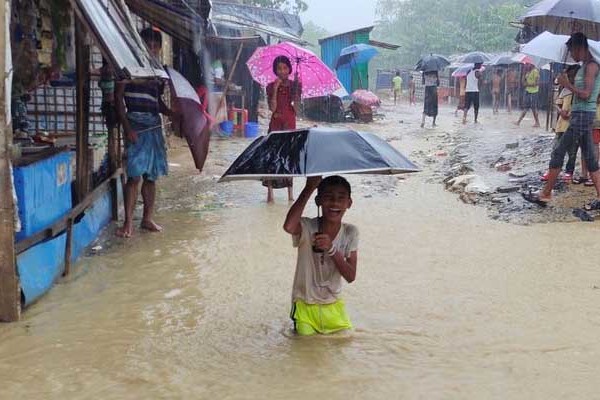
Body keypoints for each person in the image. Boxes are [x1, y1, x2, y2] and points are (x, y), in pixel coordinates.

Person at [523, 33, 600, 209]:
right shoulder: (583, 67)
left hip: (583, 115)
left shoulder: (592, 67)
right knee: (590, 157)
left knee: (558, 152)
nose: (571, 55)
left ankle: (545, 194)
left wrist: (567, 85)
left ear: (580, 47)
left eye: (572, 50)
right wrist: (566, 82)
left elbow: (587, 94)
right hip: (580, 114)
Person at [283, 176, 358, 336]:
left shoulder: (350, 232)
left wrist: (331, 249)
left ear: (349, 203)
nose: (335, 203)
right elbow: (289, 226)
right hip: (304, 305)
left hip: (333, 304)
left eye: (341, 198)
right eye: (328, 197)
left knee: (346, 344)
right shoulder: (307, 227)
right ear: (318, 201)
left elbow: (351, 276)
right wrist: (309, 187)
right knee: (307, 349)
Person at [115, 28, 171, 237]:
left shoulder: (158, 73)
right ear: (140, 45)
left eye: (156, 46)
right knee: (134, 176)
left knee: (151, 176)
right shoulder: (127, 68)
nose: (153, 49)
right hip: (136, 124)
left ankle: (147, 219)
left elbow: (157, 103)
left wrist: (171, 112)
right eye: (149, 45)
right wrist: (127, 128)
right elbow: (118, 98)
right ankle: (128, 223)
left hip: (154, 126)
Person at [263, 55, 301, 203]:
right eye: (279, 68)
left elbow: (296, 109)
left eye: (285, 68)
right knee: (272, 158)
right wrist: (276, 88)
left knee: (289, 158)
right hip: (275, 124)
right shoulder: (270, 86)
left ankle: (290, 195)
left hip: (290, 124)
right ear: (275, 70)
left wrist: (297, 91)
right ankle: (270, 195)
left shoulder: (295, 85)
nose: (282, 71)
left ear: (289, 69)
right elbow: (272, 108)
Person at [542, 65, 579, 182]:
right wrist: (561, 111)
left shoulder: (580, 91)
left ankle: (569, 172)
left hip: (574, 125)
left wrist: (572, 113)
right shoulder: (565, 90)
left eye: (574, 76)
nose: (572, 78)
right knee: (556, 149)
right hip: (561, 125)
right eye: (570, 76)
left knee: (572, 151)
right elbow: (557, 104)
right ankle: (552, 170)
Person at [515, 63, 541, 127]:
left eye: (527, 64)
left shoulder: (535, 71)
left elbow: (537, 83)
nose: (526, 66)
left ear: (531, 64)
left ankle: (537, 122)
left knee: (533, 107)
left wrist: (527, 84)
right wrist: (523, 74)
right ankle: (518, 121)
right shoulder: (527, 72)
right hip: (527, 91)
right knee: (526, 107)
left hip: (534, 91)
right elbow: (523, 82)